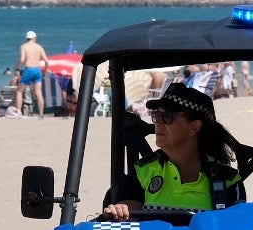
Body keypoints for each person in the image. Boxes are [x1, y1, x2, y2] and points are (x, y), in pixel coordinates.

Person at [102, 84, 244, 220]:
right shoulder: (143, 171)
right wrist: (121, 210)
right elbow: (128, 207)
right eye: (157, 115)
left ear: (194, 127)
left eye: (168, 117)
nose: (158, 122)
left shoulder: (228, 181)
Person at [16, 30, 49, 118]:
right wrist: (45, 71)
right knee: (39, 93)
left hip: (29, 70)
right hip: (37, 70)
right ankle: (41, 114)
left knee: (19, 91)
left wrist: (16, 66)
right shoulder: (39, 47)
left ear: (27, 38)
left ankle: (19, 112)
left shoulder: (24, 46)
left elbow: (22, 59)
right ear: (34, 38)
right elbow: (46, 61)